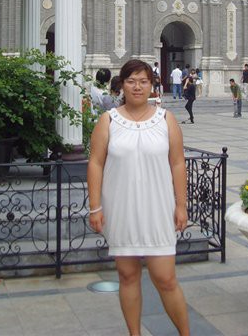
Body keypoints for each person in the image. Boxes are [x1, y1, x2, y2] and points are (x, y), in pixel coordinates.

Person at [87, 59, 190, 336]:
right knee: (128, 275)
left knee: (165, 278)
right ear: (122, 85)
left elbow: (177, 163)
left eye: (143, 81)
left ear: (151, 85)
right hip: (122, 208)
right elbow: (95, 163)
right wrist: (95, 207)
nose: (137, 87)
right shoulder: (108, 120)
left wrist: (181, 205)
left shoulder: (165, 119)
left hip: (158, 208)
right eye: (131, 81)